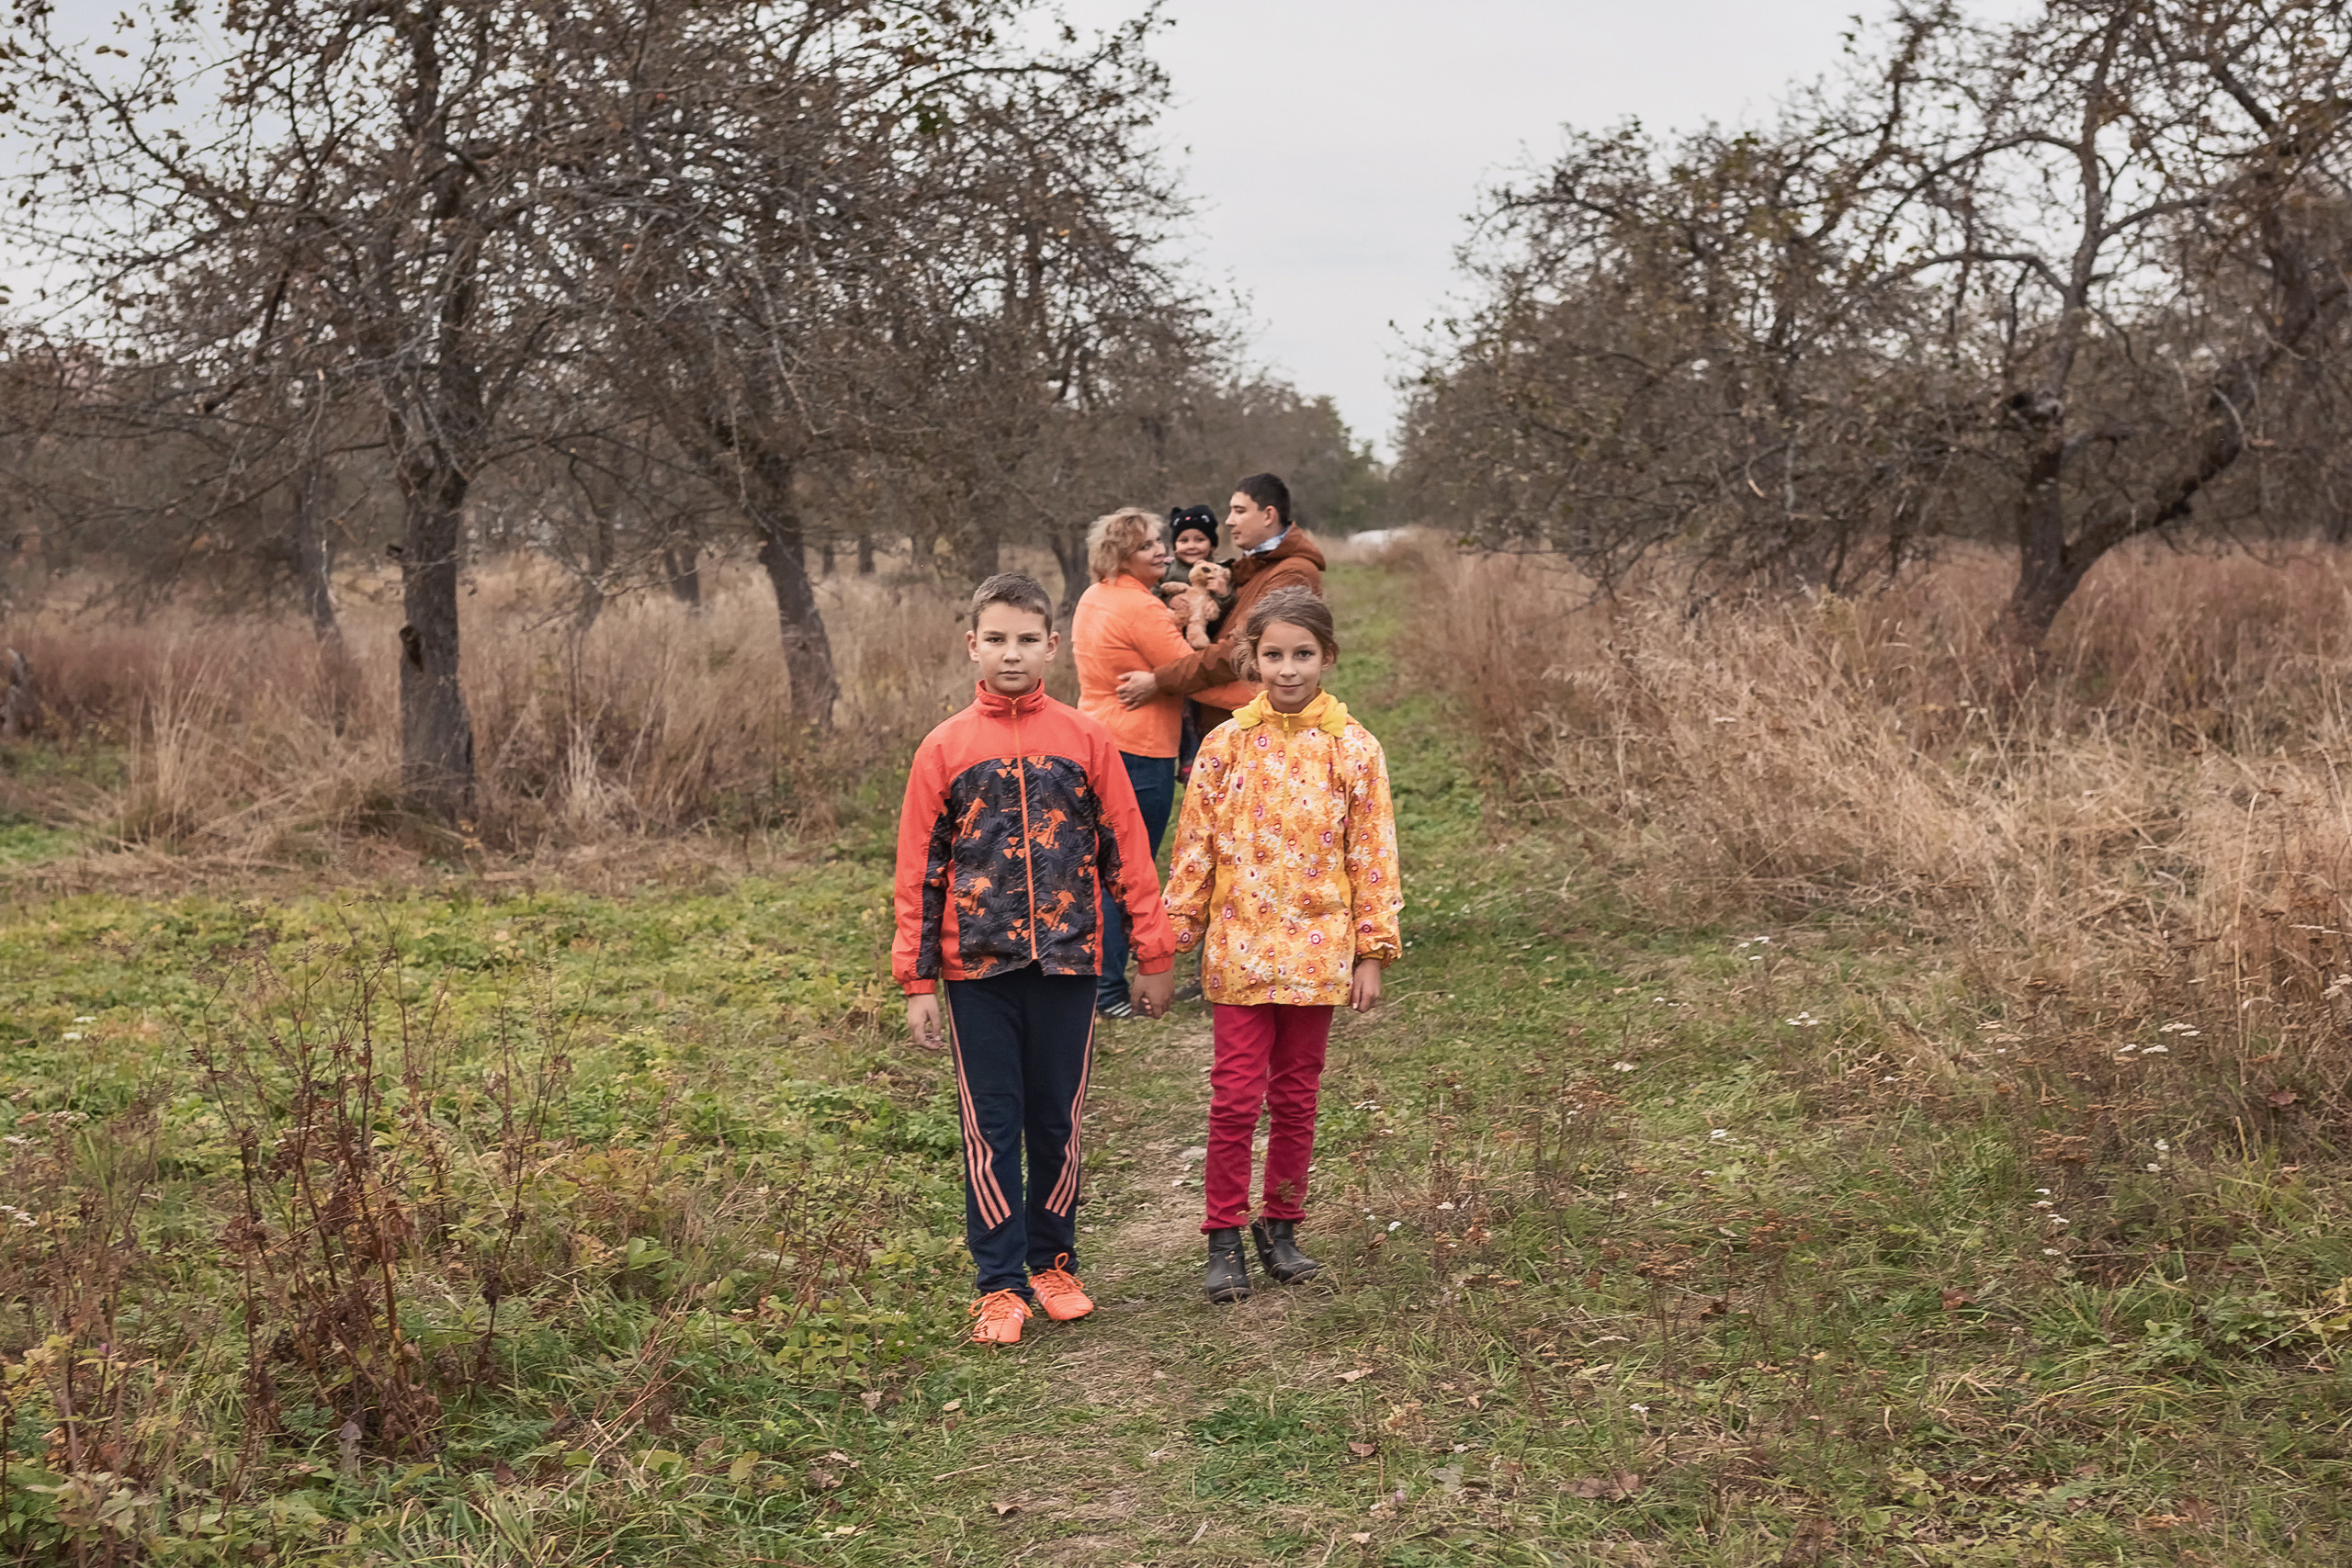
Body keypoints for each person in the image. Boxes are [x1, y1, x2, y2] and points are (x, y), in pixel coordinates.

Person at [894, 571, 1176, 1347]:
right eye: (996, 639)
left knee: (1058, 1117)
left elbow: (1127, 848)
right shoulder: (944, 749)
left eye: (1026, 639)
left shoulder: (1086, 739)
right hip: (975, 973)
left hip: (1069, 965)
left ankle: (1054, 1260)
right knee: (992, 1125)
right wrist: (919, 978)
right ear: (972, 646)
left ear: (1051, 645)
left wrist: (1152, 950)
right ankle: (999, 1283)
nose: (1010, 654)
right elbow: (919, 871)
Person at [1161, 586, 1403, 1303]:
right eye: (1273, 655)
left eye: (1303, 655)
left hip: (1318, 952)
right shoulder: (1225, 744)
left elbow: (1373, 854)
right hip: (1239, 950)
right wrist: (1171, 940)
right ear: (1252, 658)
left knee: (1296, 1095)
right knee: (1235, 1097)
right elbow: (1194, 847)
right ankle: (1222, 1233)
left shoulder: (1354, 748)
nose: (1288, 669)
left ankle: (1283, 1224)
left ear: (1326, 657)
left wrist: (1370, 950)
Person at [1070, 508, 1195, 1019]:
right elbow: (1188, 669)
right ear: (1123, 556)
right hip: (1141, 749)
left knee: (1100, 864)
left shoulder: (1094, 597)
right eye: (1148, 546)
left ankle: (1091, 980)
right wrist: (1257, 687)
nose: (1162, 551)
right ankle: (1108, 989)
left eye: (1160, 541)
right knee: (1127, 870)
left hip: (1095, 738)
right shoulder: (1141, 609)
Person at [1117, 473, 1322, 739]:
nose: (1229, 521)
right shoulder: (1252, 568)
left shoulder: (1292, 573)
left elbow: (1240, 649)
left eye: (1239, 510)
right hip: (1236, 727)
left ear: (1268, 515)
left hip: (1261, 731)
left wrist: (1160, 679)